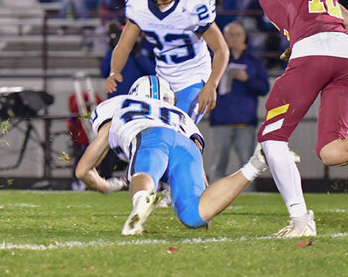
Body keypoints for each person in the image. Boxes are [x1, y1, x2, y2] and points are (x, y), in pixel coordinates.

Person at [234, 0, 348, 237]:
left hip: (315, 52)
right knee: (331, 151)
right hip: (347, 56)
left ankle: (300, 220)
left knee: (271, 137)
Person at [76, 75, 270, 235]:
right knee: (193, 215)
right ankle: (254, 165)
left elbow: (83, 170)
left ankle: (142, 198)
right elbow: (197, 162)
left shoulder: (120, 104)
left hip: (151, 134)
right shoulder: (180, 114)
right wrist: (206, 203)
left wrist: (101, 184)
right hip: (186, 145)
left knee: (143, 173)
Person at [105, 0, 229, 122]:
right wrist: (114, 71)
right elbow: (125, 43)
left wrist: (211, 84)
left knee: (180, 129)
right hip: (161, 81)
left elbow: (221, 49)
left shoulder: (194, 3)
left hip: (193, 79)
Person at [208, 22, 270, 181]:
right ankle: (215, 198)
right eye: (230, 34)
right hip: (221, 120)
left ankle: (250, 196)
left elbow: (264, 88)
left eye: (238, 34)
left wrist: (247, 79)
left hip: (245, 121)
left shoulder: (254, 61)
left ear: (244, 37)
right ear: (224, 37)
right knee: (217, 163)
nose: (234, 38)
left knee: (248, 165)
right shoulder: (214, 60)